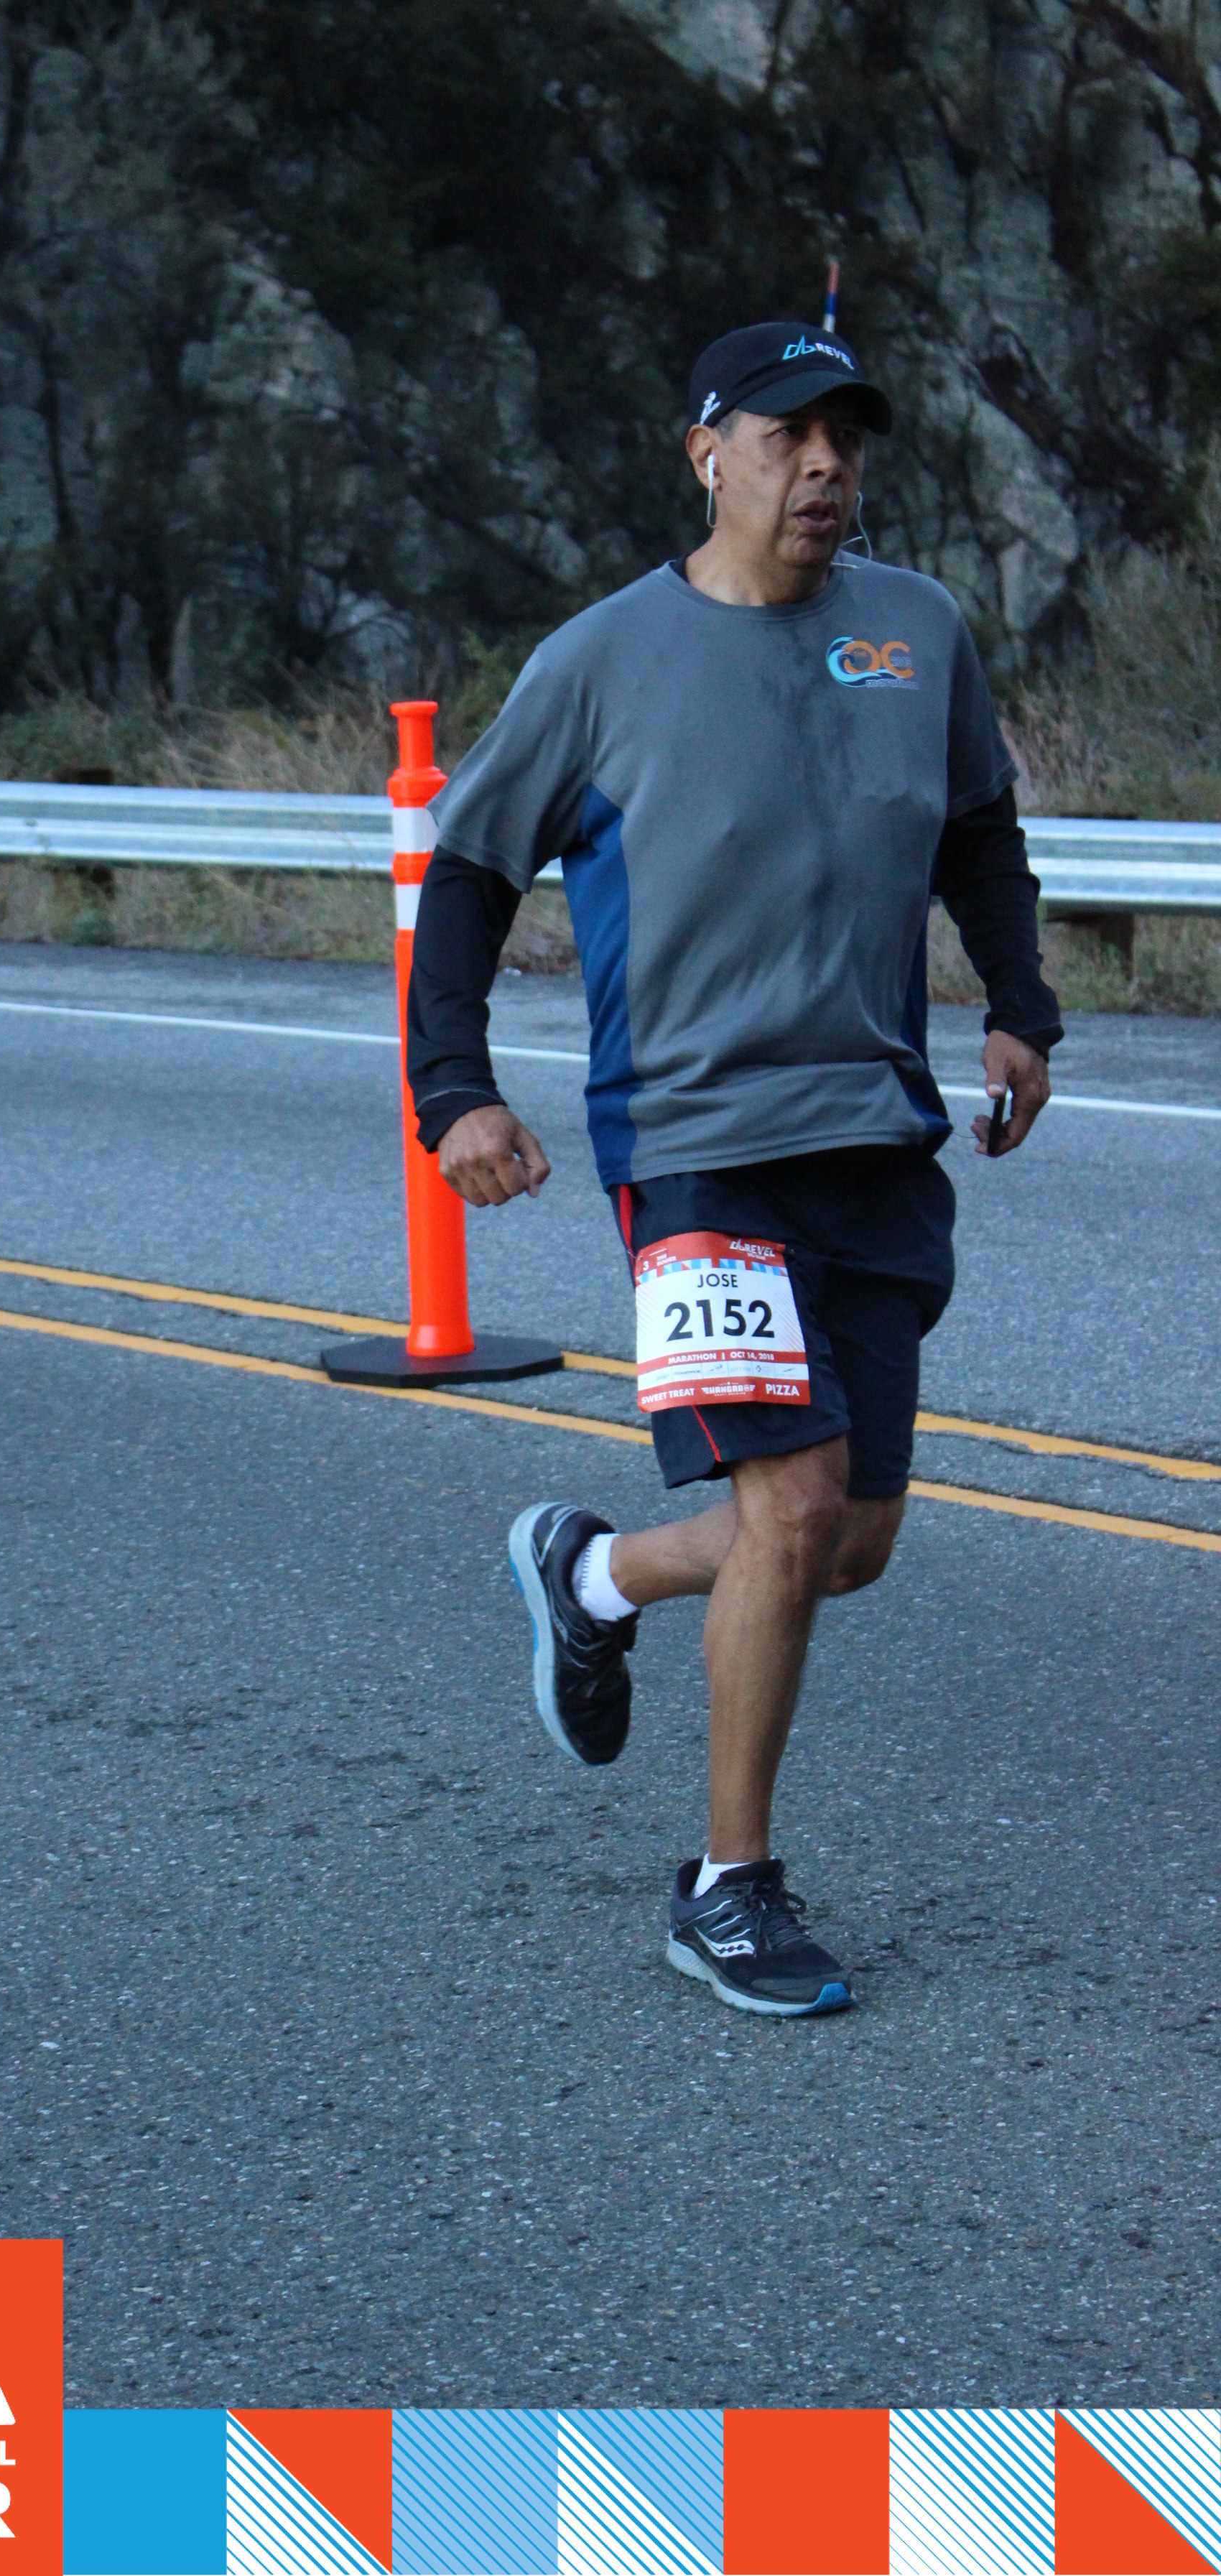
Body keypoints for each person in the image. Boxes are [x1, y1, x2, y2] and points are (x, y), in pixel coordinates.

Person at [406, 319, 1062, 2019]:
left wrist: (1021, 1007)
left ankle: (595, 1574)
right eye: (788, 435)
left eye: (847, 437)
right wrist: (454, 1090)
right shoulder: (604, 658)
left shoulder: (917, 631)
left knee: (854, 1536)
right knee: (791, 1506)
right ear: (709, 454)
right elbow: (469, 870)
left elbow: (978, 830)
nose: (825, 465)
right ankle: (727, 1885)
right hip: (696, 1143)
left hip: (875, 1132)